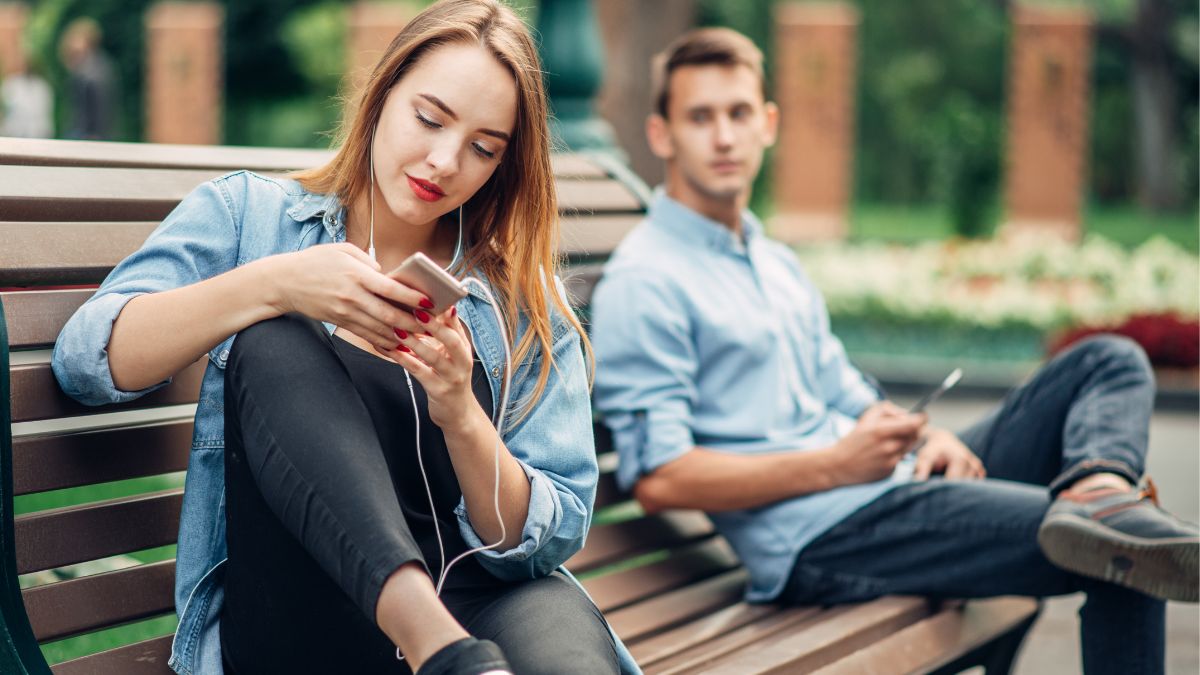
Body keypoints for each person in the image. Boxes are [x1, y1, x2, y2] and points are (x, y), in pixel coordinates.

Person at [591, 27, 1198, 675]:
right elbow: (660, 478)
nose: (723, 136)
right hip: (820, 536)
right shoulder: (647, 278)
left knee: (1107, 360)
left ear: (768, 123)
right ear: (661, 135)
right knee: (1123, 552)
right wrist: (835, 464)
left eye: (739, 113)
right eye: (700, 117)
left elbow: (841, 387)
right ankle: (1102, 515)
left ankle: (1096, 490)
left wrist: (920, 437)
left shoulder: (772, 261)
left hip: (883, 487)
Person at [52, 2, 634, 674]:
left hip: (475, 599)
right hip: (307, 611)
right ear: (382, 95)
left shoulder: (520, 301)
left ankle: (452, 649)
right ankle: (436, 647)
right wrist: (274, 286)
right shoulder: (251, 220)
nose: (444, 161)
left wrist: (461, 415)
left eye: (482, 148)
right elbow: (85, 358)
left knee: (564, 649)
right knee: (272, 340)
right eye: (429, 117)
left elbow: (545, 537)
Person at [58, 17, 117, 140]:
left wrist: (94, 134)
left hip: (87, 134)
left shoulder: (90, 70)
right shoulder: (97, 64)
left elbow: (98, 104)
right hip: (86, 131)